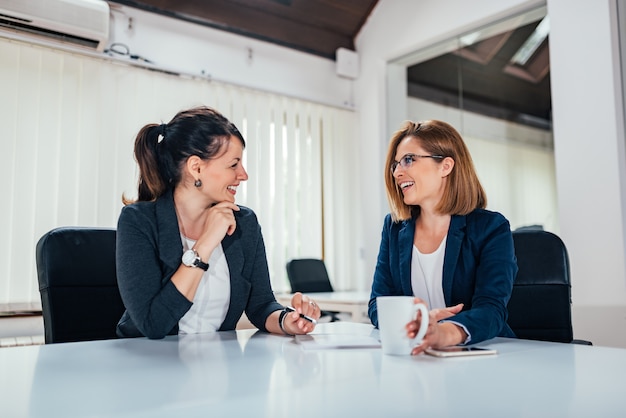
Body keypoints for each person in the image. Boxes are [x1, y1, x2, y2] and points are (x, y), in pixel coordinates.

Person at [115, 106, 320, 339]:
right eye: (233, 164)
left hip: (218, 361)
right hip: (145, 363)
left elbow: (261, 305)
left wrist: (287, 320)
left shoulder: (244, 222)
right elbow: (153, 324)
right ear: (197, 167)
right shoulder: (139, 221)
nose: (243, 174)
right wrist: (206, 242)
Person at [368, 119, 517, 355]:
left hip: (481, 359)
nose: (397, 172)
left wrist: (445, 332)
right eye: (395, 164)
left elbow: (491, 308)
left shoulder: (491, 227)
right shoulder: (394, 228)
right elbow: (378, 304)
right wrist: (419, 325)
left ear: (445, 166)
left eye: (408, 159)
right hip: (417, 357)